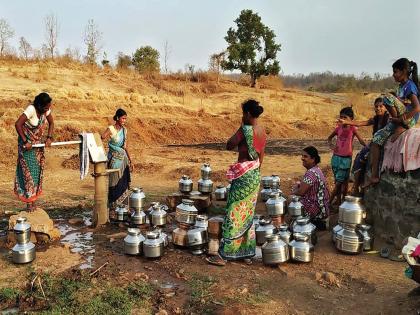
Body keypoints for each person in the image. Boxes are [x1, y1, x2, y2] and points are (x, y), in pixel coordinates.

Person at [207, 99, 266, 266]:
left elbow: (229, 145)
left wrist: (241, 127)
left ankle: (224, 254)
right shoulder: (261, 130)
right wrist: (254, 169)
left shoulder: (245, 130)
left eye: (242, 114)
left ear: (247, 114)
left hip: (243, 177)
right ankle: (246, 253)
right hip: (254, 175)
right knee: (247, 215)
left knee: (233, 213)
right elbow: (262, 155)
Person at [366, 58, 420, 186]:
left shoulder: (409, 86)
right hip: (400, 117)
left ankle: (399, 126)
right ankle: (374, 176)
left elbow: (417, 107)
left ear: (404, 71)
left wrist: (402, 120)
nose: (393, 75)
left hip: (407, 119)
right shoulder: (401, 86)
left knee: (387, 97)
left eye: (395, 72)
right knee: (376, 139)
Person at [338, 97, 389, 195]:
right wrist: (347, 122)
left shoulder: (389, 119)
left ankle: (363, 182)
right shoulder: (375, 119)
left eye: (381, 106)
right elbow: (361, 123)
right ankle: (356, 186)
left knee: (364, 156)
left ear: (386, 107)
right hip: (374, 143)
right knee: (359, 157)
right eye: (376, 106)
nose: (378, 108)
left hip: (381, 144)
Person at [14, 92, 55, 211]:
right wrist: (25, 140)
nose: (48, 110)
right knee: (28, 174)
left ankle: (33, 201)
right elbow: (18, 124)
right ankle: (29, 203)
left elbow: (52, 122)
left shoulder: (45, 110)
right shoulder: (31, 109)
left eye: (49, 107)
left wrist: (49, 137)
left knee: (36, 172)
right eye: (46, 107)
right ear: (39, 105)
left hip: (38, 145)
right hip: (26, 146)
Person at [327, 107, 366, 206]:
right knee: (339, 182)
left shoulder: (353, 128)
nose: (342, 119)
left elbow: (360, 140)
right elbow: (329, 138)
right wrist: (331, 146)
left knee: (340, 183)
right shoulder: (338, 128)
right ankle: (340, 202)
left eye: (345, 117)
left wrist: (367, 146)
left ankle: (328, 203)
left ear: (351, 120)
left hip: (346, 159)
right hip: (336, 158)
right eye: (341, 117)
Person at [101, 109, 133, 208]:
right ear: (118, 118)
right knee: (114, 182)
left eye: (125, 119)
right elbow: (102, 137)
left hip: (123, 160)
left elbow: (125, 147)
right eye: (123, 118)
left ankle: (123, 208)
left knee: (123, 182)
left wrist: (131, 161)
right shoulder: (111, 129)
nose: (124, 120)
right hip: (114, 160)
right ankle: (113, 207)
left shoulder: (125, 130)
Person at [293, 146, 330, 230]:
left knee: (291, 200)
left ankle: (303, 224)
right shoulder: (316, 170)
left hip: (316, 208)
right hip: (322, 207)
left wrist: (294, 190)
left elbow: (300, 192)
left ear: (313, 159)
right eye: (302, 156)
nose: (302, 158)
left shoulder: (311, 173)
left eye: (305, 156)